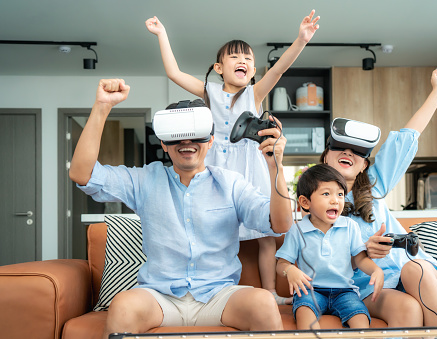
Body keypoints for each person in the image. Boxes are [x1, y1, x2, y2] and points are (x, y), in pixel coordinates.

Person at [68, 78, 293, 339]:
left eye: (196, 133)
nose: (186, 141)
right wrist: (102, 106)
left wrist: (275, 166)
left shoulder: (231, 183)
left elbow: (280, 224)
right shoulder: (144, 180)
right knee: (123, 306)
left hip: (218, 296)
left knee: (263, 302)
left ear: (210, 140)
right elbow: (82, 174)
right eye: (177, 136)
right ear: (164, 143)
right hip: (160, 297)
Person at [145, 10, 320, 305]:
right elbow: (174, 73)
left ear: (252, 70)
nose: (243, 61)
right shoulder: (209, 92)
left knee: (267, 236)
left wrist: (301, 39)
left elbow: (278, 70)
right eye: (235, 57)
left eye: (249, 59)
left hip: (252, 167)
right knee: (216, 231)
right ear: (219, 67)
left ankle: (269, 293)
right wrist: (162, 34)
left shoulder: (255, 93)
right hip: (216, 169)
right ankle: (216, 292)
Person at [320, 68, 437, 327]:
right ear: (326, 155)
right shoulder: (315, 200)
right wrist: (363, 252)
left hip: (418, 275)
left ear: (363, 166)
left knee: (417, 268)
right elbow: (321, 260)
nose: (348, 151)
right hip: (368, 285)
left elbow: (405, 140)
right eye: (339, 146)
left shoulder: (373, 186)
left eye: (358, 151)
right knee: (410, 300)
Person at [275, 164, 384, 329]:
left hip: (345, 291)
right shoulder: (297, 230)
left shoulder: (350, 226)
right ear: (305, 202)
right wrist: (290, 270)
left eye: (340, 194)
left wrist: (376, 270)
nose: (335, 200)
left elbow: (360, 259)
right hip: (310, 290)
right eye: (326, 194)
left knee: (360, 319)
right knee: (305, 315)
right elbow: (281, 264)